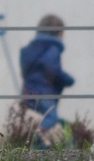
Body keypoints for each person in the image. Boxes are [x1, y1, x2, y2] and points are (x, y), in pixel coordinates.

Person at [19, 14, 75, 146]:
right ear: (59, 33)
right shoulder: (52, 47)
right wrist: (67, 79)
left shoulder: (31, 49)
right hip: (43, 91)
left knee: (43, 119)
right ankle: (37, 137)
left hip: (29, 91)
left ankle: (42, 144)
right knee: (51, 117)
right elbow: (51, 66)